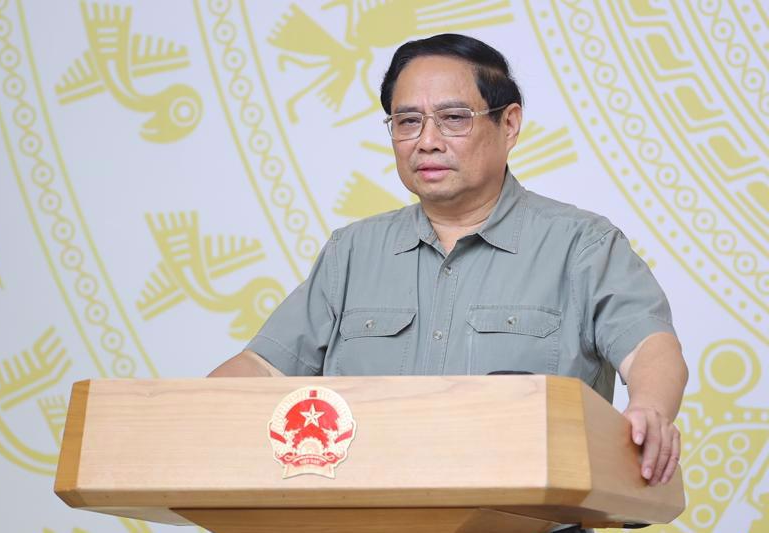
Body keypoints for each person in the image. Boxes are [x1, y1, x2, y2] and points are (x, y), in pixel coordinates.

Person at [209, 34, 688, 494]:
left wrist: (650, 407)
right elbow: (262, 368)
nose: (427, 141)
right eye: (407, 121)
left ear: (509, 124)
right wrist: (177, 413)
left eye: (453, 118)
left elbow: (649, 346)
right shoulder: (352, 251)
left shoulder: (581, 244)